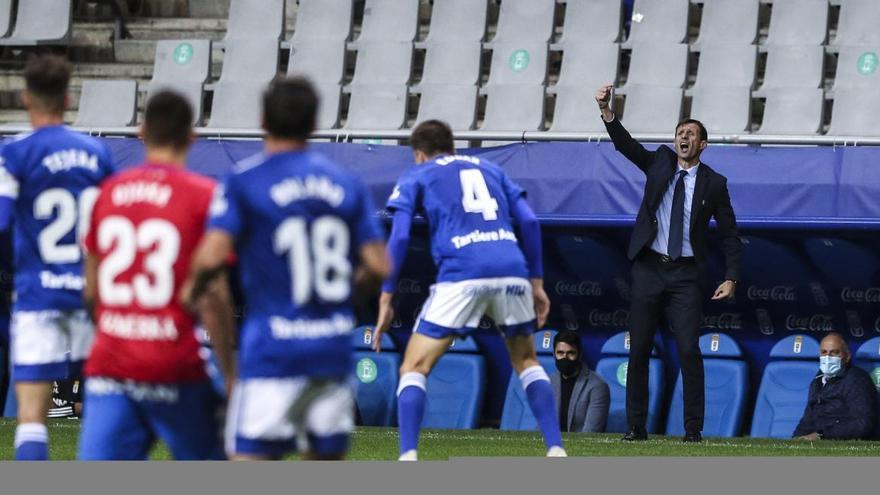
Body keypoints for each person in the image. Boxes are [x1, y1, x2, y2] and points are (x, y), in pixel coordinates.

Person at [186, 77, 389, 461]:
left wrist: (187, 293)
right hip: (330, 350)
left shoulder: (245, 181)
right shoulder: (345, 183)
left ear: (263, 120)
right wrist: (343, 296)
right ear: (314, 124)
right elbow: (379, 265)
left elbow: (212, 258)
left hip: (273, 352)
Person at [373, 119, 566, 460]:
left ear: (419, 155)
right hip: (512, 269)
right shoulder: (492, 169)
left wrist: (386, 296)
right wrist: (536, 282)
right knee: (526, 361)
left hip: (462, 273)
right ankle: (555, 449)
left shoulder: (418, 174)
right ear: (452, 147)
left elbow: (400, 236)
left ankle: (407, 458)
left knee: (414, 368)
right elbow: (532, 222)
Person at [77, 91, 231, 460]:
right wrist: (230, 374)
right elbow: (214, 296)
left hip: (112, 363)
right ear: (191, 136)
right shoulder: (205, 196)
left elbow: (91, 290)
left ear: (141, 132)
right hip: (174, 363)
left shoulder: (106, 194)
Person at [594, 84, 742, 443]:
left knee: (689, 349)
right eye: (680, 133)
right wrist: (607, 112)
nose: (684, 137)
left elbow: (729, 234)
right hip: (648, 268)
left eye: (691, 133)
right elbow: (626, 147)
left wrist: (731, 277)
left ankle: (692, 429)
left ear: (703, 144)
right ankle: (635, 426)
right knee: (640, 347)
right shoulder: (659, 161)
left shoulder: (715, 183)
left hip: (686, 275)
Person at [0, 55, 114, 460]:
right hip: (91, 297)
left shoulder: (13, 155)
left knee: (32, 420)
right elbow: (111, 226)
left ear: (26, 98)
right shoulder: (97, 154)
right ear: (68, 99)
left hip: (37, 297)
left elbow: (1, 221)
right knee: (104, 419)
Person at [793, 332, 878, 441]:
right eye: (824, 352)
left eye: (834, 353)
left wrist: (821, 435)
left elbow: (863, 424)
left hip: (843, 446)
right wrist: (795, 439)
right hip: (818, 443)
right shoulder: (818, 379)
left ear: (847, 356)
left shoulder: (857, 379)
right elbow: (807, 419)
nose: (827, 357)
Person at [550, 330, 609, 433]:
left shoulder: (597, 386)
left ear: (579, 354)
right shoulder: (547, 383)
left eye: (570, 353)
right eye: (560, 353)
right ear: (554, 354)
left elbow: (591, 433)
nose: (565, 358)